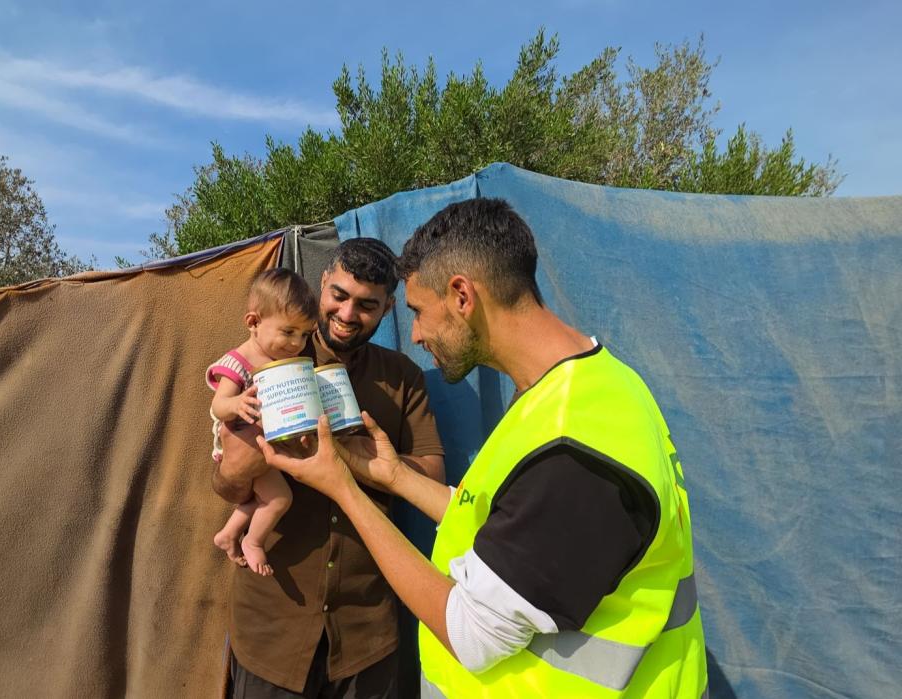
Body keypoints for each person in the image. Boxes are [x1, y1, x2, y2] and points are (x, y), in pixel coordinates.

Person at [259, 198, 709, 698]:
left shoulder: (574, 448)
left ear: (462, 296)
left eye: (418, 312)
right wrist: (395, 476)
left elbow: (472, 633)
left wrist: (344, 490)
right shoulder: (591, 386)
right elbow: (509, 525)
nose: (416, 334)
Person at [213, 238, 446, 698]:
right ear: (322, 283)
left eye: (366, 305)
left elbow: (433, 478)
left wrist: (355, 454)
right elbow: (224, 483)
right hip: (272, 629)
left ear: (388, 308)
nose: (346, 313)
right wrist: (260, 449)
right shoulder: (270, 361)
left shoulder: (402, 377)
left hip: (366, 633)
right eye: (338, 295)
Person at [208, 268, 318, 576]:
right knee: (280, 498)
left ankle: (228, 534)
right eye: (288, 332)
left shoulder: (279, 363)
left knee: (265, 497)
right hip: (240, 448)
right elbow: (218, 406)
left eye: (304, 334)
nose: (297, 343)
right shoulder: (238, 361)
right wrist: (236, 403)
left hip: (266, 450)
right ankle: (253, 542)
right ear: (253, 323)